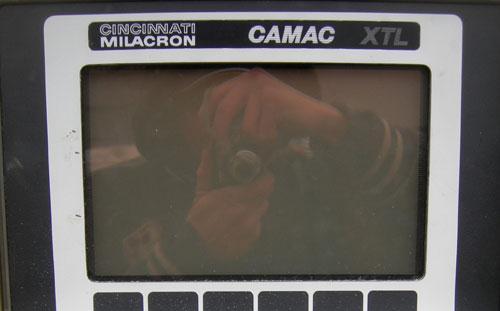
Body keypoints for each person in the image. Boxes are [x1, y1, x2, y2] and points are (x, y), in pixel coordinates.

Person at [87, 67, 422, 278]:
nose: (247, 119)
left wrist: (334, 124)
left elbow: (437, 191)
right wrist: (190, 250)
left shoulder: (322, 172)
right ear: (170, 117)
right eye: (217, 100)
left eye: (267, 100)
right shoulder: (110, 191)